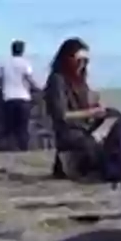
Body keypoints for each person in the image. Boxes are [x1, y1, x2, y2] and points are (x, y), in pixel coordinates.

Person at [44, 38, 112, 180]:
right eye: (79, 60)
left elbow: (84, 115)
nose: (82, 64)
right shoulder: (57, 80)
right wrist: (90, 112)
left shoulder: (80, 81)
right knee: (97, 158)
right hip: (69, 135)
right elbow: (61, 115)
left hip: (82, 131)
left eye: (86, 61)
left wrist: (98, 113)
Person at [0, 40, 40, 152]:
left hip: (9, 97)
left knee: (8, 127)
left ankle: (8, 148)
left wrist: (3, 88)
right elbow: (29, 79)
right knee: (23, 127)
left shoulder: (5, 63)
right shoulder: (25, 63)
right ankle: (23, 148)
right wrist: (38, 88)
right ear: (22, 50)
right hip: (23, 97)